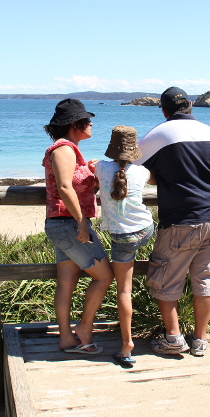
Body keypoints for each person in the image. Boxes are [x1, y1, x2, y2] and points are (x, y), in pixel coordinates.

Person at [134, 87, 210, 357]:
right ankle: (200, 340)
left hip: (182, 218)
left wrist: (159, 177)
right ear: (190, 105)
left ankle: (174, 337)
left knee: (165, 278)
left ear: (164, 110)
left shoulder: (157, 134)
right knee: (207, 277)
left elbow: (131, 170)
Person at [42, 98, 115, 354]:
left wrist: (93, 175)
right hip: (68, 225)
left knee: (66, 282)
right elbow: (63, 187)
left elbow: (76, 185)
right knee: (105, 275)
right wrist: (82, 223)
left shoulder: (71, 150)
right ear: (75, 124)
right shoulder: (63, 149)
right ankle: (84, 328)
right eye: (87, 120)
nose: (91, 123)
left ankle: (66, 338)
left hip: (62, 224)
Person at [93, 125, 155, 366]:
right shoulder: (143, 172)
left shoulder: (100, 167)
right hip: (145, 229)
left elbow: (94, 173)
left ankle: (127, 344)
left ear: (112, 147)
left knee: (123, 290)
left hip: (123, 237)